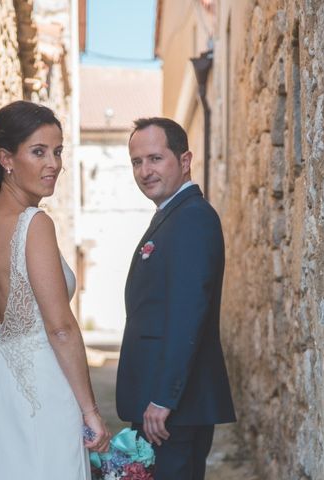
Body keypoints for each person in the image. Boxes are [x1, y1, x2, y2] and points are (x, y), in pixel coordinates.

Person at [0, 100, 110, 479]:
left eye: (58, 151)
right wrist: (91, 411)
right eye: (39, 151)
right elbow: (60, 327)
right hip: (39, 387)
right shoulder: (34, 223)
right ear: (6, 158)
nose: (54, 164)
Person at [116, 117, 236, 479]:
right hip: (162, 405)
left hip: (171, 409)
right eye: (137, 162)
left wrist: (164, 398)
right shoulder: (171, 216)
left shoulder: (192, 218)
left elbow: (188, 313)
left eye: (155, 158)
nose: (144, 171)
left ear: (185, 161)